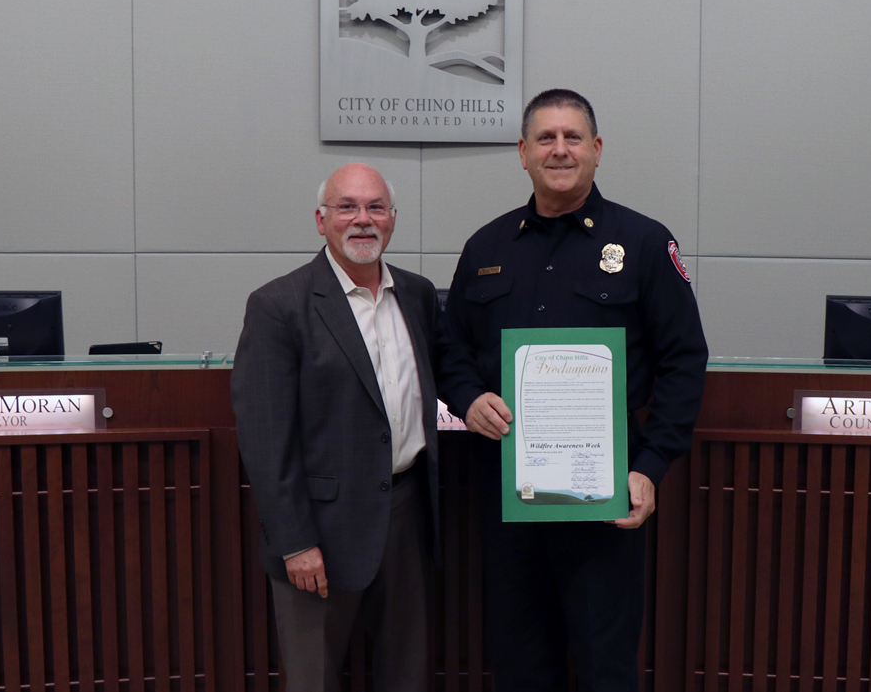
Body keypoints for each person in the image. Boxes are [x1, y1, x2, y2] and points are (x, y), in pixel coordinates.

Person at [438, 89, 708, 692]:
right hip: (509, 494)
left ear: (597, 149)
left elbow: (684, 359)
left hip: (603, 497)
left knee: (605, 663)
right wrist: (468, 398)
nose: (559, 150)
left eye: (573, 137)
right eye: (545, 138)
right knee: (518, 660)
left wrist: (650, 465)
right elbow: (450, 346)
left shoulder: (642, 243)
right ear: (523, 153)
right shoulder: (487, 247)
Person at [232, 162, 440, 692]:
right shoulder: (279, 305)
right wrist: (295, 540)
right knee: (313, 680)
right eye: (347, 207)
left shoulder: (417, 296)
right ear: (321, 220)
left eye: (375, 207)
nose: (362, 219)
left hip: (408, 516)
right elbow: (265, 437)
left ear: (393, 219)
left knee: (407, 676)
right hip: (320, 531)